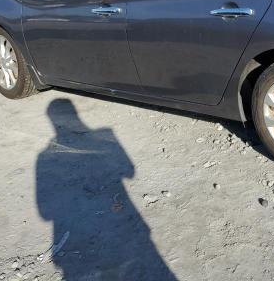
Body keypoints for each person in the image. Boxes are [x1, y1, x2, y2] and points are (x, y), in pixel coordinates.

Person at [36, 98, 176, 280]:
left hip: (80, 240)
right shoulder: (106, 135)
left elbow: (44, 212)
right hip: (131, 234)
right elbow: (130, 171)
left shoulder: (44, 156)